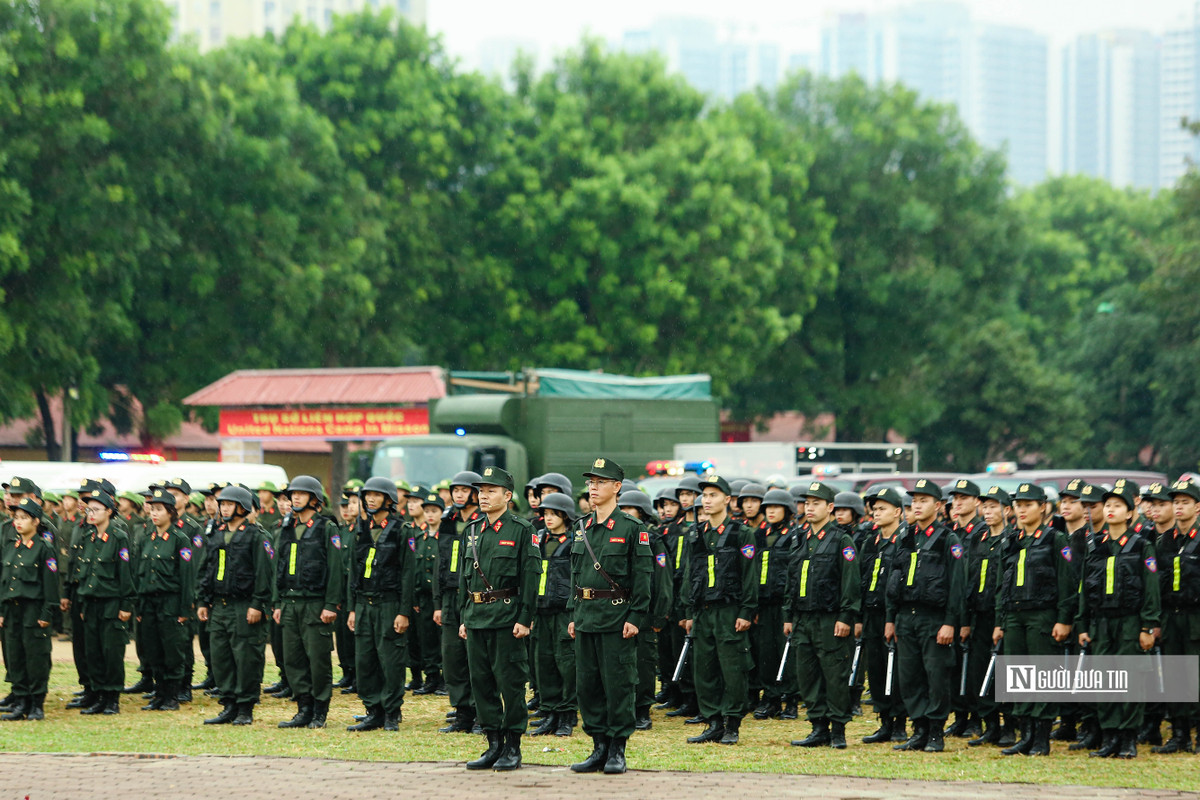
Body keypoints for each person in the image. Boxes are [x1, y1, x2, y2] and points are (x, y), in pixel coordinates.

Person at [566, 459, 653, 773]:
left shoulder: (632, 529)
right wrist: (573, 614)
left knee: (617, 685)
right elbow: (575, 574)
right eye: (591, 482)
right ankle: (598, 747)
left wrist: (636, 616)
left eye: (600, 482)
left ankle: (617, 749)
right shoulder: (581, 528)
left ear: (617, 487)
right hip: (586, 616)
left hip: (617, 618)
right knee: (587, 686)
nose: (593, 487)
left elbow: (644, 577)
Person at [458, 467, 540, 771]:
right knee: (481, 683)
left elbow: (531, 577)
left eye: (491, 490)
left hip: (507, 618)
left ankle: (513, 745)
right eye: (481, 490)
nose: (483, 495)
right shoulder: (471, 530)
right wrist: (463, 617)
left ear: (507, 496)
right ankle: (492, 743)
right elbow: (463, 581)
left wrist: (525, 617)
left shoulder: (521, 530)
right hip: (476, 616)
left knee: (511, 683)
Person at [1077, 479, 1161, 759]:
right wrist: (1084, 624)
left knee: (1130, 680)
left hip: (1129, 623)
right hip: (1101, 623)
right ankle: (1110, 736)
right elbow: (1085, 589)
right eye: (1108, 505)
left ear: (1129, 512)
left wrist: (1148, 625)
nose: (1111, 510)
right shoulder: (1095, 546)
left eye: (1118, 506)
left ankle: (1128, 738)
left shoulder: (1141, 546)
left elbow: (1151, 590)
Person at [992, 483, 1076, 756]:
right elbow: (1001, 584)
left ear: (1043, 507)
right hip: (1014, 615)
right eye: (1018, 505)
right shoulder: (1012, 539)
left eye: (1028, 504)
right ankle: (1025, 735)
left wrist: (1064, 619)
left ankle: (1041, 738)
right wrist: (1000, 621)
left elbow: (1067, 582)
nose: (1022, 510)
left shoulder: (1055, 539)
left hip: (1042, 615)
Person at [885, 478, 966, 753]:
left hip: (934, 619)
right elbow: (894, 578)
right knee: (909, 676)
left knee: (936, 675)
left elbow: (956, 585)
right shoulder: (905, 536)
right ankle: (918, 729)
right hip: (906, 617)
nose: (917, 505)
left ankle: (935, 731)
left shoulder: (948, 539)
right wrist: (890, 618)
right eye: (914, 501)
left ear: (939, 505)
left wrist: (950, 623)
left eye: (924, 500)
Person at [681, 475, 758, 746]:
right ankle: (713, 722)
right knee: (705, 669)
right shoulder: (695, 533)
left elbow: (750, 575)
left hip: (729, 611)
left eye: (713, 495)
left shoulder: (741, 533)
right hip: (703, 612)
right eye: (705, 495)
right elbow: (690, 574)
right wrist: (689, 612)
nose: (707, 500)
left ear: (727, 499)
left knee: (733, 668)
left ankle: (732, 723)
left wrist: (746, 611)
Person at [787, 481, 861, 750]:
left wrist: (846, 616)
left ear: (830, 508)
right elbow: (791, 579)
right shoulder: (800, 538)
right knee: (808, 676)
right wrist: (788, 615)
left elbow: (850, 582)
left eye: (816, 503)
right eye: (807, 503)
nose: (810, 507)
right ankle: (818, 727)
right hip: (803, 618)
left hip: (830, 619)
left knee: (835, 675)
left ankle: (838, 729)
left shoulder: (842, 540)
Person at [198, 485, 273, 726]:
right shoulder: (217, 534)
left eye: (230, 504)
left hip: (244, 606)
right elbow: (208, 569)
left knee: (246, 657)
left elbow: (264, 573)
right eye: (223, 504)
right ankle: (228, 704)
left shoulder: (256, 536)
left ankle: (245, 707)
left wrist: (258, 604)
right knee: (221, 657)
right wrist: (203, 600)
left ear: (242, 507)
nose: (224, 508)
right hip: (219, 605)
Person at [274, 476, 344, 730]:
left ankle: (319, 710)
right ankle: (303, 708)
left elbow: (336, 569)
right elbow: (278, 567)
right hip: (290, 602)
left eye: (302, 494)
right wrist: (278, 602)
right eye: (293, 494)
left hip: (316, 604)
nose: (295, 498)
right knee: (293, 659)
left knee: (318, 659)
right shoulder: (287, 527)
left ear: (315, 499)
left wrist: (331, 604)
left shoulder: (327, 528)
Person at [346, 477, 415, 732]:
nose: (370, 499)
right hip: (364, 604)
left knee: (391, 660)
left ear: (389, 499)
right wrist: (352, 607)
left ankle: (391, 713)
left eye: (376, 495)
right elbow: (354, 571)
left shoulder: (402, 530)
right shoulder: (361, 530)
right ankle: (372, 710)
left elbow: (409, 573)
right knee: (365, 659)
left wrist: (403, 612)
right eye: (367, 495)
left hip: (389, 604)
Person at [75, 488, 136, 715]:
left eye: (96, 509)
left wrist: (126, 605)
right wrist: (82, 603)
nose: (91, 513)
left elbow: (125, 573)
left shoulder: (119, 537)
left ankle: (112, 698)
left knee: (111, 652)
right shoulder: (88, 538)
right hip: (91, 604)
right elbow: (85, 573)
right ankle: (99, 695)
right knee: (94, 652)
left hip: (112, 604)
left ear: (109, 511)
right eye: (89, 509)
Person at [136, 488, 196, 712]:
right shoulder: (147, 538)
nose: (154, 513)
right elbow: (141, 574)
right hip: (149, 603)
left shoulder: (180, 539)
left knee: (172, 650)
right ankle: (159, 694)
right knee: (153, 650)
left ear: (171, 512)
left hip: (170, 602)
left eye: (159, 509)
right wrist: (140, 606)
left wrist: (184, 608)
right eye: (152, 509)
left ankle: (172, 695)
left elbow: (186, 577)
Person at [0, 498, 58, 720]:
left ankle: (36, 704)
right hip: (12, 610)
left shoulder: (45, 549)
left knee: (36, 657)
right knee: (15, 656)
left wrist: (46, 613)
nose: (18, 522)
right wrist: (2, 611)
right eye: (16, 517)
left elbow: (50, 586)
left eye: (24, 518)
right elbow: (5, 582)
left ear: (35, 521)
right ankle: (21, 701)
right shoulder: (11, 547)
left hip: (33, 610)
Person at [1153, 478, 1200, 754]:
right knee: (1174, 676)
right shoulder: (1165, 541)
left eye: (1185, 502)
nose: (1179, 507)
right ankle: (1179, 735)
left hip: (1195, 617)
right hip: (1171, 616)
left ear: (1197, 507)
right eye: (1177, 502)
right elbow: (1155, 581)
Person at [859, 488, 909, 744]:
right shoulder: (871, 541)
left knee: (897, 670)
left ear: (898, 512)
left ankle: (900, 723)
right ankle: (884, 721)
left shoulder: (905, 540)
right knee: (876, 669)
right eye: (874, 509)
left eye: (882, 509)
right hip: (872, 613)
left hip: (895, 616)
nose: (876, 513)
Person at [434, 471, 482, 734]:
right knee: (452, 658)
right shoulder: (448, 521)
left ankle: (481, 713)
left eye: (465, 490)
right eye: (456, 490)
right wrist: (438, 603)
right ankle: (462, 712)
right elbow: (440, 563)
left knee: (475, 657)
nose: (459, 495)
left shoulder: (482, 521)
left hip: (474, 596)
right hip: (451, 596)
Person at [965, 486, 1012, 748]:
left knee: (1004, 672)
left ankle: (1010, 726)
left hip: (1001, 616)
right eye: (985, 506)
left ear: (1006, 510)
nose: (988, 511)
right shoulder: (978, 538)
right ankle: (990, 725)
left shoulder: (1011, 539)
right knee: (980, 670)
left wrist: (1001, 621)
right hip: (979, 615)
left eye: (994, 506)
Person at [529, 492, 578, 738]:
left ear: (565, 516)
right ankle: (548, 712)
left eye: (554, 514)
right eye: (545, 514)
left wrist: (574, 614)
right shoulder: (538, 541)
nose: (548, 518)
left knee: (566, 665)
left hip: (564, 613)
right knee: (544, 663)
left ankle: (567, 715)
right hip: (541, 612)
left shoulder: (575, 542)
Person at [751, 488, 799, 721]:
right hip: (764, 604)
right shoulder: (759, 535)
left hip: (784, 604)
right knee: (766, 652)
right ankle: (770, 698)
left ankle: (790, 700)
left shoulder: (795, 536)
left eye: (776, 507)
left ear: (787, 511)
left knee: (786, 651)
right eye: (767, 507)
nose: (770, 511)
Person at [410, 490, 443, 696]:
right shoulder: (420, 537)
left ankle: (444, 679)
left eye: (434, 511)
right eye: (427, 511)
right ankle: (430, 678)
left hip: (438, 597)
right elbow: (414, 569)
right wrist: (414, 596)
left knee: (441, 639)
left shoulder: (444, 537)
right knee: (426, 639)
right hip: (422, 597)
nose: (430, 515)